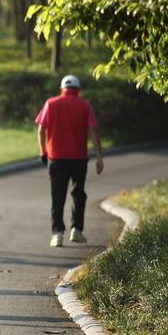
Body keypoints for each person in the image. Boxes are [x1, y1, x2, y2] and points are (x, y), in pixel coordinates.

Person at [35, 74, 104, 247]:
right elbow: (94, 132)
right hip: (79, 158)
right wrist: (99, 157)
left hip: (56, 158)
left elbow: (41, 129)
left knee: (57, 196)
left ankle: (57, 234)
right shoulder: (85, 106)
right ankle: (77, 230)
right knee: (78, 194)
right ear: (78, 91)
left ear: (61, 90)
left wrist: (43, 151)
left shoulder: (50, 104)